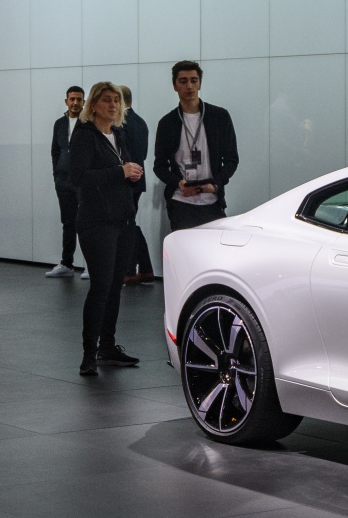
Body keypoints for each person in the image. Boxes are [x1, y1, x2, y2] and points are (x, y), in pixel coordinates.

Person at [64, 82, 142, 376]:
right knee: (100, 286)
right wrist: (119, 172)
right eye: (106, 100)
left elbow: (121, 169)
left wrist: (132, 173)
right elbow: (78, 177)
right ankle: (89, 354)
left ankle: (107, 346)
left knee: (115, 286)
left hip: (123, 220)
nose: (113, 105)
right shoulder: (84, 135)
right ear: (93, 105)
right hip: (96, 222)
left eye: (116, 101)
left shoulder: (118, 134)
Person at [153, 61, 240, 231]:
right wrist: (177, 183)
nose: (189, 86)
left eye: (194, 80)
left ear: (200, 84)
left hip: (212, 200)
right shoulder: (167, 123)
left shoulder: (219, 117)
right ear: (175, 86)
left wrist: (216, 184)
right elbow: (160, 166)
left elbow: (232, 159)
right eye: (183, 81)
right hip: (181, 201)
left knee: (213, 246)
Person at [44, 85, 85, 279]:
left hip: (82, 181)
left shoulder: (88, 123)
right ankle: (67, 263)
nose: (75, 103)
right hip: (63, 180)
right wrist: (56, 173)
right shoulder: (59, 124)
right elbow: (55, 150)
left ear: (84, 102)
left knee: (86, 222)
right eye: (72, 99)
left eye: (79, 99)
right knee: (68, 222)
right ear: (66, 101)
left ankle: (91, 265)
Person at [119, 85, 155, 286]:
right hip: (137, 180)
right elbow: (144, 154)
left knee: (127, 225)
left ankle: (130, 270)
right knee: (130, 223)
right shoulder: (140, 122)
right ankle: (145, 268)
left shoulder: (121, 123)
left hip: (125, 181)